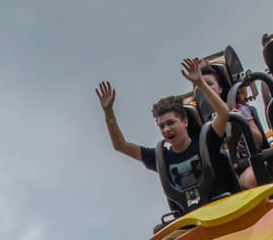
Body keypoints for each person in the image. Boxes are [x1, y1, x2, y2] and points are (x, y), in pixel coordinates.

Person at [95, 58, 234, 213]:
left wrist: (200, 84)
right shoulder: (161, 158)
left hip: (223, 210)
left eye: (171, 123)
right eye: (162, 126)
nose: (166, 129)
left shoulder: (206, 143)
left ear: (185, 122)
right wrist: (108, 113)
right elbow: (120, 145)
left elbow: (223, 114)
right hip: (192, 223)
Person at [197, 63, 263, 189]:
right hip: (220, 173)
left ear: (220, 88)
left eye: (209, 84)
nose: (206, 89)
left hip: (247, 164)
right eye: (202, 86)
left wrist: (242, 123)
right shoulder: (198, 121)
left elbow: (259, 141)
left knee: (251, 179)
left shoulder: (237, 108)